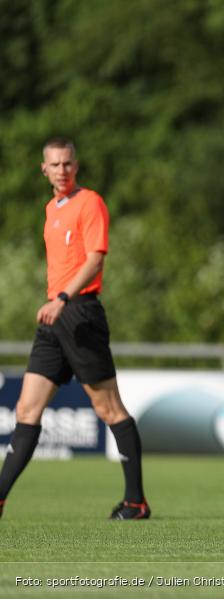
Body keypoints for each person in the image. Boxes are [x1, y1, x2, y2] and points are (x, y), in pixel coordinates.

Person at [0, 137, 150, 520]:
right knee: (26, 408)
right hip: (54, 318)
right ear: (44, 169)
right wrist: (57, 302)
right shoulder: (51, 209)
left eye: (68, 164)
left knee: (109, 408)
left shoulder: (91, 203)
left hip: (79, 313)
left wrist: (63, 299)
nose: (62, 171)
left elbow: (95, 260)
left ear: (76, 166)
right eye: (55, 165)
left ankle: (136, 502)